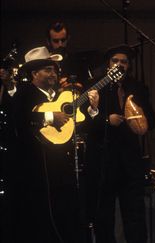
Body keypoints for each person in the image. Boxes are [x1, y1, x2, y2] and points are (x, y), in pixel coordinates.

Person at [11, 46, 99, 243]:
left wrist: (93, 109)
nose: (54, 73)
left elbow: (81, 125)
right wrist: (50, 117)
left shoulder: (61, 97)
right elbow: (19, 118)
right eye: (48, 70)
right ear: (34, 73)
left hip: (61, 165)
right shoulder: (24, 94)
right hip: (35, 167)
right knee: (40, 215)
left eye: (54, 69)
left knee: (66, 211)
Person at [86, 44, 155, 243]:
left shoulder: (137, 87)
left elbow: (151, 120)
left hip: (130, 159)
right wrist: (107, 119)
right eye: (115, 61)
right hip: (104, 159)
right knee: (104, 216)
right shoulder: (96, 84)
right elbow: (85, 120)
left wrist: (136, 112)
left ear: (129, 65)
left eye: (123, 62)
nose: (119, 65)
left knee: (134, 214)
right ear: (108, 64)